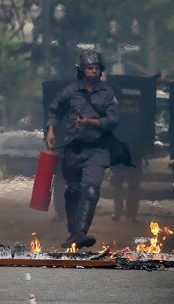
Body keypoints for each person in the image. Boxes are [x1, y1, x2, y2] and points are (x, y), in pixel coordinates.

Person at [45, 50, 119, 249]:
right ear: (82, 70)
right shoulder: (70, 91)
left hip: (97, 149)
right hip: (73, 149)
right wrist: (51, 130)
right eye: (90, 68)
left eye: (97, 68)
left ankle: (82, 233)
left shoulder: (107, 92)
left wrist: (90, 121)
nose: (94, 71)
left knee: (92, 189)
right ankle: (74, 233)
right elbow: (55, 110)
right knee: (73, 191)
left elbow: (113, 120)